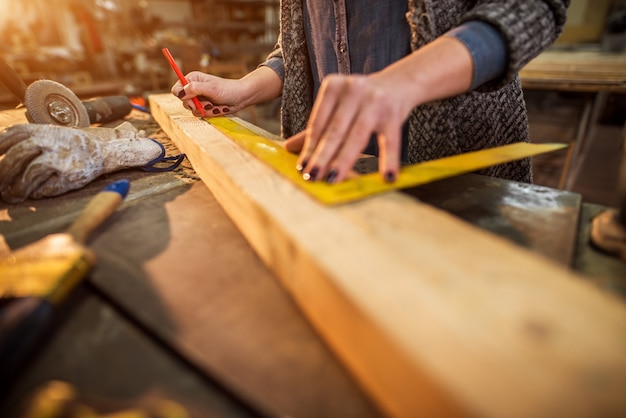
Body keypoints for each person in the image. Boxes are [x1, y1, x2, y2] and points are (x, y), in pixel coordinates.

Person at [171, 1, 570, 185]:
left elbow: (532, 6)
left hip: (457, 163)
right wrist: (241, 90)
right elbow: (296, 47)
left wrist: (405, 81)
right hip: (340, 168)